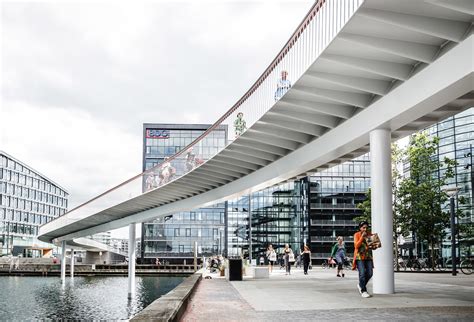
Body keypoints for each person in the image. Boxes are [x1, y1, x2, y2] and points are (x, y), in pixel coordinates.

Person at [352, 221, 374, 298]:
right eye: (363, 227)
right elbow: (356, 246)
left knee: (370, 273)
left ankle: (360, 285)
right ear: (360, 228)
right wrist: (362, 237)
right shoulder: (357, 234)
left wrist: (374, 245)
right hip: (359, 257)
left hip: (368, 256)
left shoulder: (369, 234)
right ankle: (363, 291)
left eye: (366, 227)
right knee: (362, 274)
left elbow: (372, 246)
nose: (365, 229)